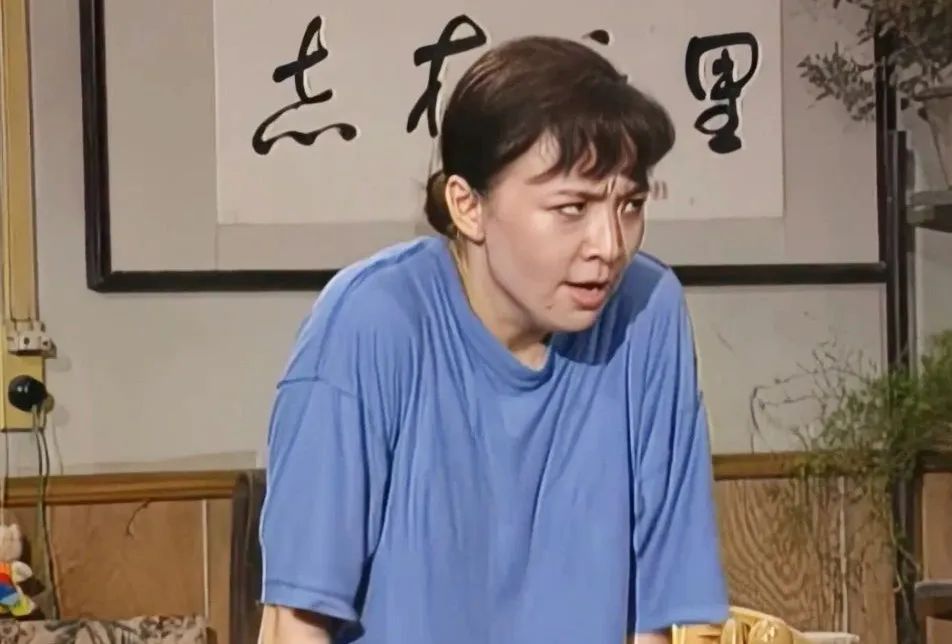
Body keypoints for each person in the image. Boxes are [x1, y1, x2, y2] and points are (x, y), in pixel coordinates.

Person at [257, 35, 729, 644]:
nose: (610, 246)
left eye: (630, 205)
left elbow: (655, 622)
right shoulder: (371, 323)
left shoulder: (646, 310)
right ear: (467, 206)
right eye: (572, 207)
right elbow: (295, 621)